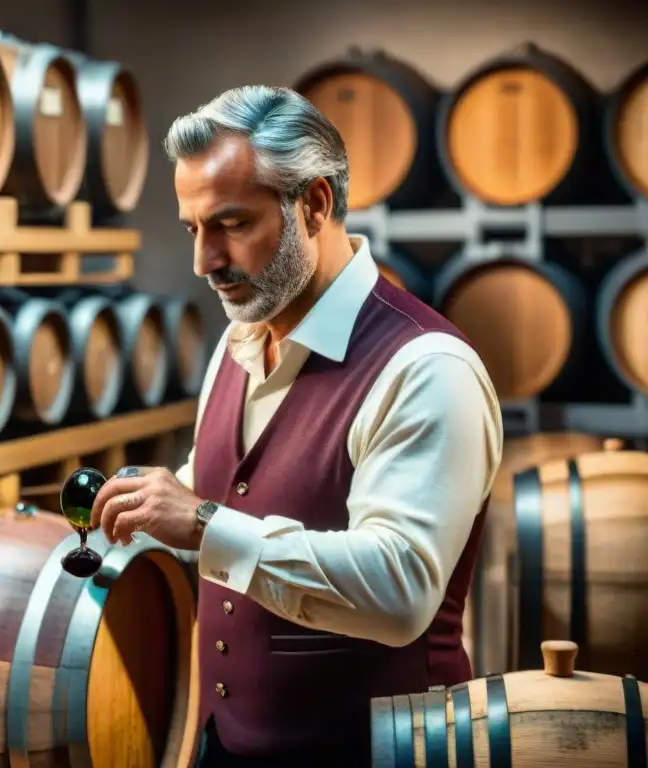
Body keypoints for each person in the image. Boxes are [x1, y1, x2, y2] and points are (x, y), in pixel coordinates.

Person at [88, 85, 503, 767]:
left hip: (378, 754)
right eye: (193, 229)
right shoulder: (239, 340)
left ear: (312, 205)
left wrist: (199, 522)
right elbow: (233, 488)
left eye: (230, 224)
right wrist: (151, 501)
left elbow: (398, 590)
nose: (204, 262)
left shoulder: (427, 368)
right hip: (222, 740)